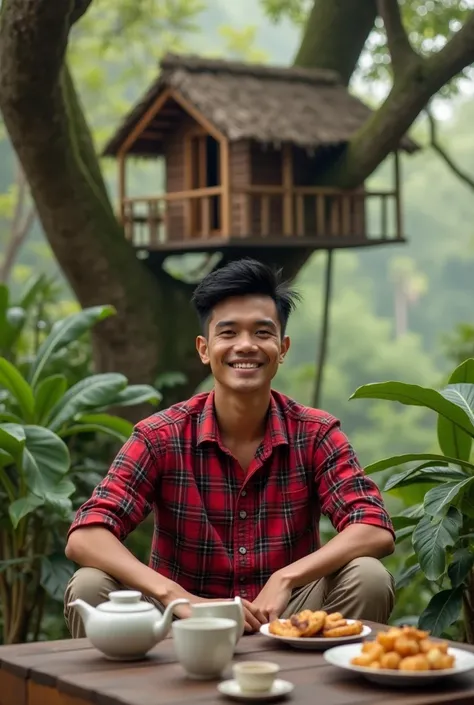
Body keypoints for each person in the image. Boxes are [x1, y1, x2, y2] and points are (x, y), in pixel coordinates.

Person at [64, 258, 395, 638]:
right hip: (178, 620)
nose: (246, 345)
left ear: (282, 348)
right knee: (90, 585)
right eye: (229, 333)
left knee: (368, 576)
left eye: (262, 332)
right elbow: (86, 535)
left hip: (289, 618)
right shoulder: (160, 436)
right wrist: (175, 596)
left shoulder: (315, 433)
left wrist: (286, 577)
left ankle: (328, 693)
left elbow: (373, 526)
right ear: (205, 349)